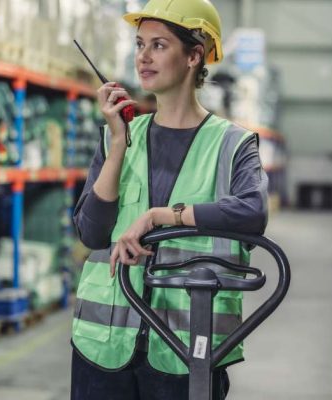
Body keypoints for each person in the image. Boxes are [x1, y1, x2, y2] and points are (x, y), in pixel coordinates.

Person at [71, 1, 268, 399]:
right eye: (140, 44)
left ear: (194, 55)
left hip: (185, 350)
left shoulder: (232, 144)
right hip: (103, 345)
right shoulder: (121, 135)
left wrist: (161, 217)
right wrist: (115, 147)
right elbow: (91, 233)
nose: (142, 56)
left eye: (158, 45)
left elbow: (252, 212)